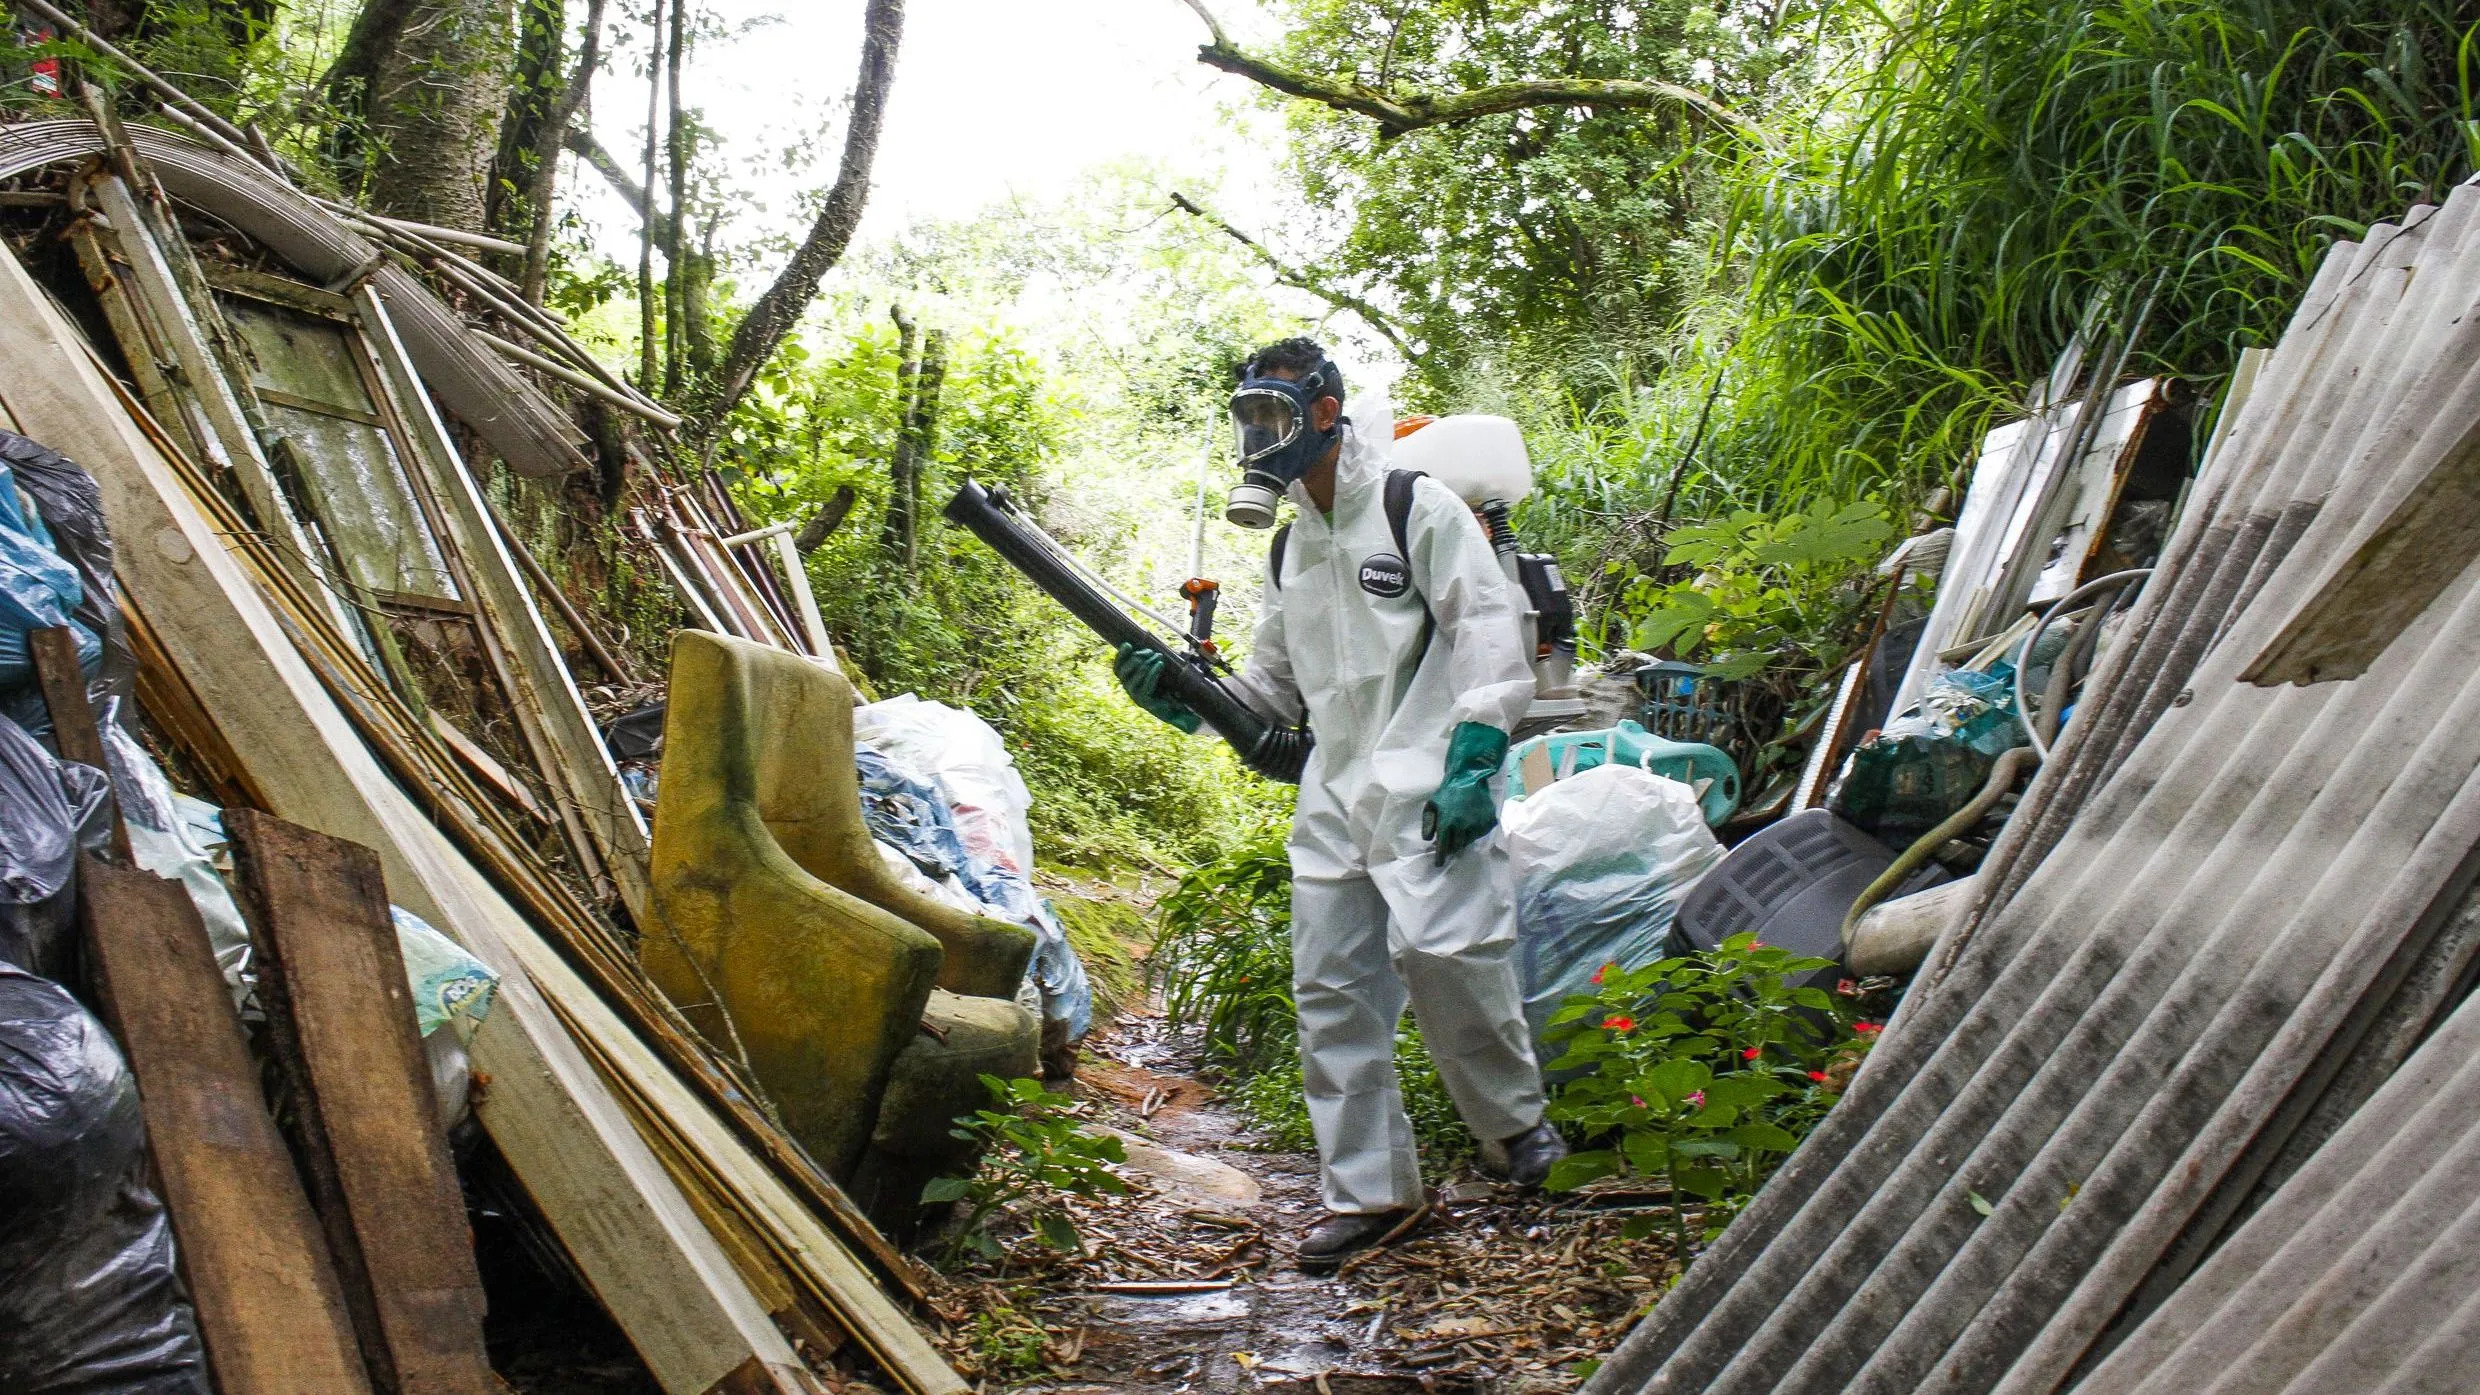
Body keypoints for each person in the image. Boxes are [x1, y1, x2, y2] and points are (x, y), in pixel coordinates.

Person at [1114, 337, 1565, 1271]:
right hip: (1333, 795)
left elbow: (1487, 622)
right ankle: (1371, 1192)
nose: (1258, 438)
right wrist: (1182, 698)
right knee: (1331, 993)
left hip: (1431, 776)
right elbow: (1275, 692)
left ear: (1326, 410)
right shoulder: (1291, 544)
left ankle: (1516, 1132)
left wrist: (1479, 745)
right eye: (1247, 419)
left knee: (1448, 952)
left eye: (1273, 416)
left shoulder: (1412, 505)